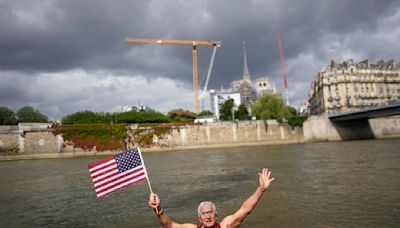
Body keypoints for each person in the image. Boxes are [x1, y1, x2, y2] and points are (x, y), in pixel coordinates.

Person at [148, 168, 275, 228]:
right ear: (199, 218)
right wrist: (158, 208)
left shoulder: (226, 226)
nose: (208, 216)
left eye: (210, 213)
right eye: (204, 214)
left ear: (216, 215)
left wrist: (261, 189)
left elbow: (245, 209)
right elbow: (169, 225)